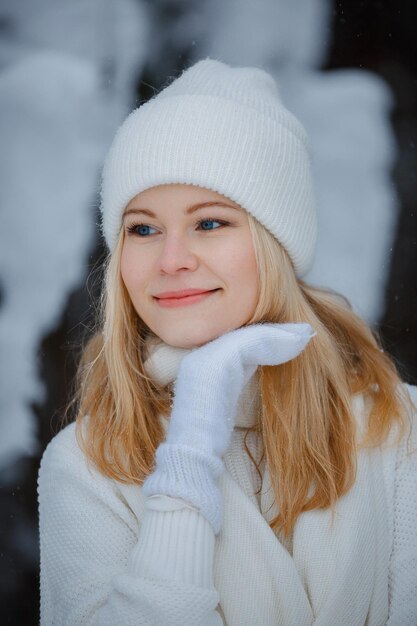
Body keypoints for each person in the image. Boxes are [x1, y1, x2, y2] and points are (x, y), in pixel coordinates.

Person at [37, 58, 417, 626]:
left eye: (210, 223)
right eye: (142, 228)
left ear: (275, 244)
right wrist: (189, 449)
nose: (171, 260)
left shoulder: (400, 429)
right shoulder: (88, 465)